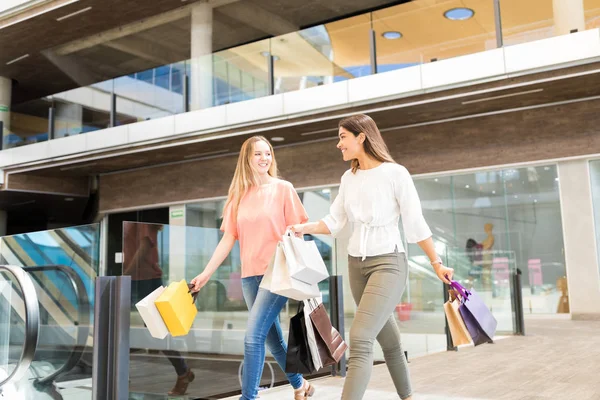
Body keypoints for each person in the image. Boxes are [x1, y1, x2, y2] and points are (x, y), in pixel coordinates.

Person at [290, 114, 454, 400]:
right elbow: (335, 221)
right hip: (357, 265)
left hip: (389, 264)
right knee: (389, 340)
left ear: (361, 137)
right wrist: (304, 227)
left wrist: (436, 263)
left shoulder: (395, 173)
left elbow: (416, 223)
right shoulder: (348, 178)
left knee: (361, 337)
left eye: (342, 137)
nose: (338, 144)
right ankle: (409, 396)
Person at [190, 136, 315, 400]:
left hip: (277, 274)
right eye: (257, 154)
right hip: (250, 277)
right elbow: (227, 239)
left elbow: (298, 232)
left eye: (267, 153)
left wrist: (295, 261)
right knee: (273, 341)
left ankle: (248, 398)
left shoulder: (283, 189)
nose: (264, 159)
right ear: (246, 159)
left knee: (253, 337)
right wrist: (205, 274)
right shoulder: (237, 197)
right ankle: (300, 385)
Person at [122, 222, 195, 396]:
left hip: (145, 281)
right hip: (133, 280)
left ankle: (183, 373)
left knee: (157, 333)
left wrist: (126, 274)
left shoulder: (143, 217)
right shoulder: (129, 217)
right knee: (120, 329)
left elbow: (144, 246)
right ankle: (120, 374)